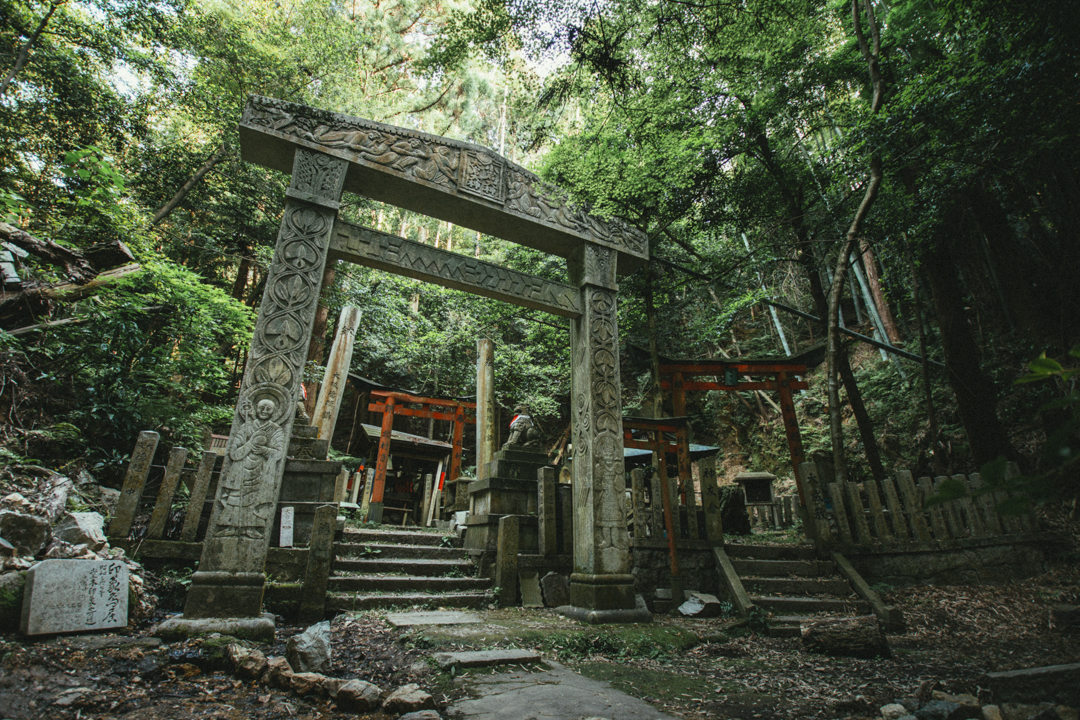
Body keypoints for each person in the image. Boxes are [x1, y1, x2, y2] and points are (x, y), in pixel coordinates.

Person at [215, 398, 284, 539]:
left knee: (255, 499)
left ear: (274, 412)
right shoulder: (245, 427)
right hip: (240, 469)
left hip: (262, 471)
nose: (264, 411)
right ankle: (230, 527)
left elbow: (278, 453)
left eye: (268, 409)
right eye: (261, 407)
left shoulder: (276, 430)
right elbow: (233, 454)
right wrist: (250, 444)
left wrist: (264, 450)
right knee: (235, 499)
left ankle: (251, 527)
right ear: (255, 408)